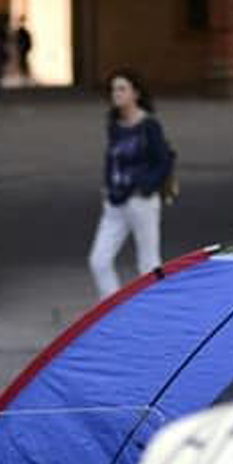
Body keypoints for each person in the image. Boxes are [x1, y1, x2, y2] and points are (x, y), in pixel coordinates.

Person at [88, 70, 173, 299]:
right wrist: (106, 186)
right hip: (115, 202)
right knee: (99, 260)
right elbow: (111, 157)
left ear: (135, 93)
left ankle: (157, 311)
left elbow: (164, 161)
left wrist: (146, 186)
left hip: (141, 202)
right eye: (113, 89)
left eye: (122, 89)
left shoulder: (149, 125)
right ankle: (115, 311)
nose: (116, 94)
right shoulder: (114, 124)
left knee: (148, 263)